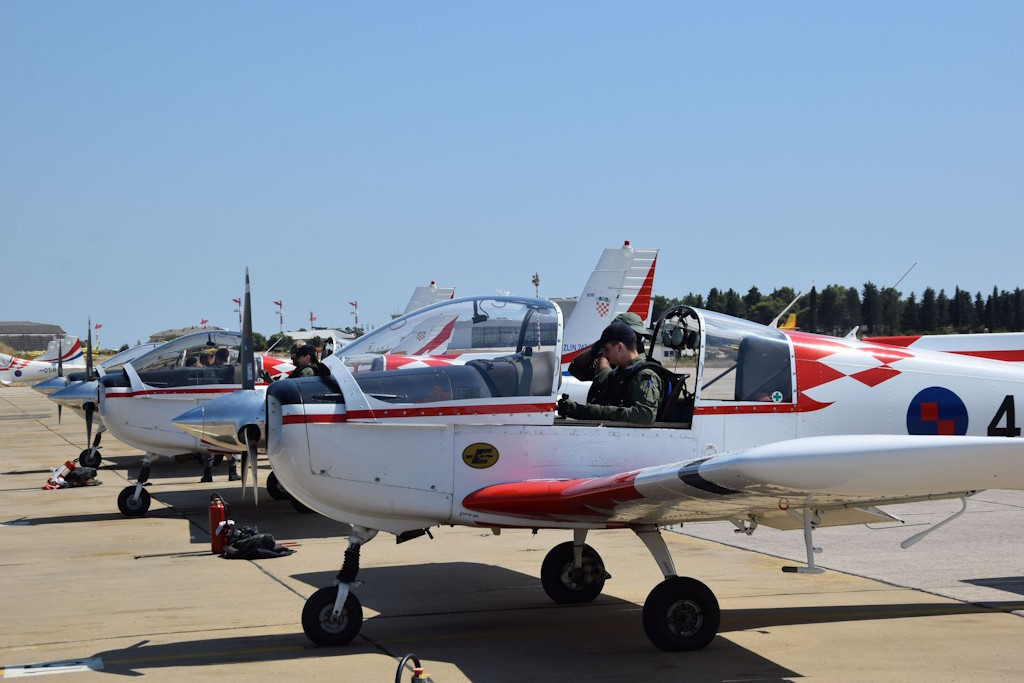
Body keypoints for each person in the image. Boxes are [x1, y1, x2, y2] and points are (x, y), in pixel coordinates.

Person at [557, 320, 662, 425]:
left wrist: (592, 411)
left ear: (620, 347)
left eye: (607, 349)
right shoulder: (621, 373)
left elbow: (645, 415)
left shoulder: (644, 375)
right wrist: (578, 410)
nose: (605, 355)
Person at [568, 312, 651, 384]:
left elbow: (605, 382)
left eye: (639, 337)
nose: (636, 340)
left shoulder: (643, 369)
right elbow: (576, 369)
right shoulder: (611, 359)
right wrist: (596, 349)